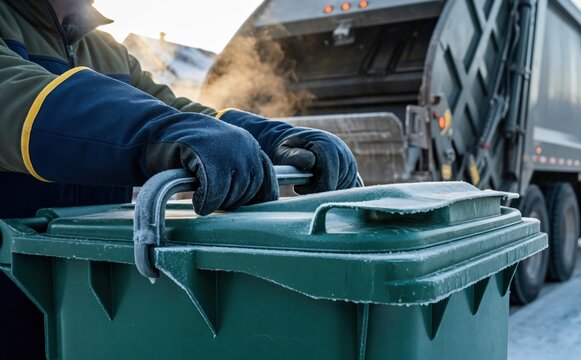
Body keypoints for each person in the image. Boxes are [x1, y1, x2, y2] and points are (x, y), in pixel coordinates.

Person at [0, 0, 359, 357]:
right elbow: (18, 99)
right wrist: (164, 132)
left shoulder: (104, 49)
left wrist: (270, 137)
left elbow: (170, 109)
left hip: (81, 301)